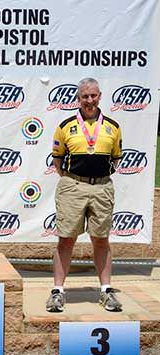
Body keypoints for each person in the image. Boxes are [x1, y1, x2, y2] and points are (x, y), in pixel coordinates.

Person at [46, 77, 123, 312]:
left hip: (102, 187)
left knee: (101, 240)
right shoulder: (65, 125)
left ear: (100, 96)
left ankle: (106, 291)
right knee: (66, 239)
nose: (89, 100)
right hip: (73, 186)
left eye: (93, 96)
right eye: (84, 97)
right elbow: (57, 159)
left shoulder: (113, 126)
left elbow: (117, 158)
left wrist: (98, 179)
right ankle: (58, 292)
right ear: (78, 99)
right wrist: (73, 181)